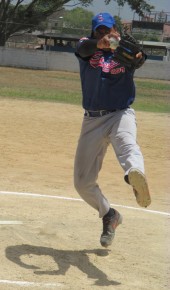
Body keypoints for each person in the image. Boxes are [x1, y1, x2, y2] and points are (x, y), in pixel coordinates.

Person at [74, 12, 151, 248]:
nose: (103, 34)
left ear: (114, 29)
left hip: (120, 113)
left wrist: (139, 55)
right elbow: (85, 49)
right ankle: (109, 214)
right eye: (98, 30)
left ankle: (135, 174)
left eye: (106, 30)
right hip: (93, 120)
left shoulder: (122, 49)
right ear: (93, 31)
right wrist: (99, 43)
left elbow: (139, 57)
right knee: (82, 182)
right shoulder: (85, 45)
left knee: (127, 143)